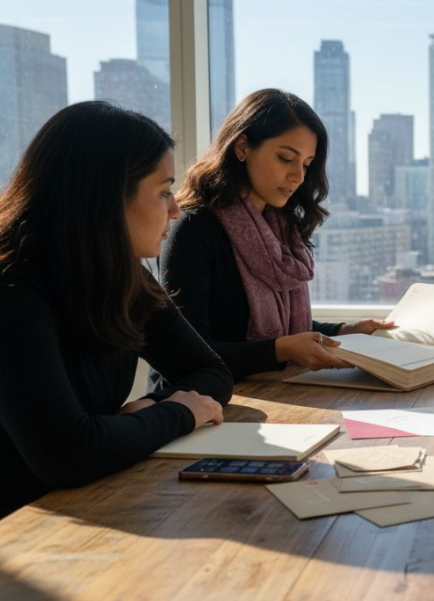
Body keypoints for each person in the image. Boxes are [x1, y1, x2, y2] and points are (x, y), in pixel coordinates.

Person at [0, 102, 233, 518]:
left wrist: (138, 418)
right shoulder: (12, 291)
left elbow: (212, 374)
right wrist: (174, 412)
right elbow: (67, 454)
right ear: (106, 198)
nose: (176, 209)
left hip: (81, 507)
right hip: (23, 532)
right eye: (163, 192)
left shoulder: (123, 279)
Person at [155, 89, 391, 385]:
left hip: (276, 396)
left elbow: (278, 328)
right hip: (199, 404)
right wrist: (280, 350)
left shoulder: (280, 227)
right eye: (285, 158)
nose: (298, 176)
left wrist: (345, 330)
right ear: (242, 147)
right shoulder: (193, 228)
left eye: (306, 164)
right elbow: (189, 354)